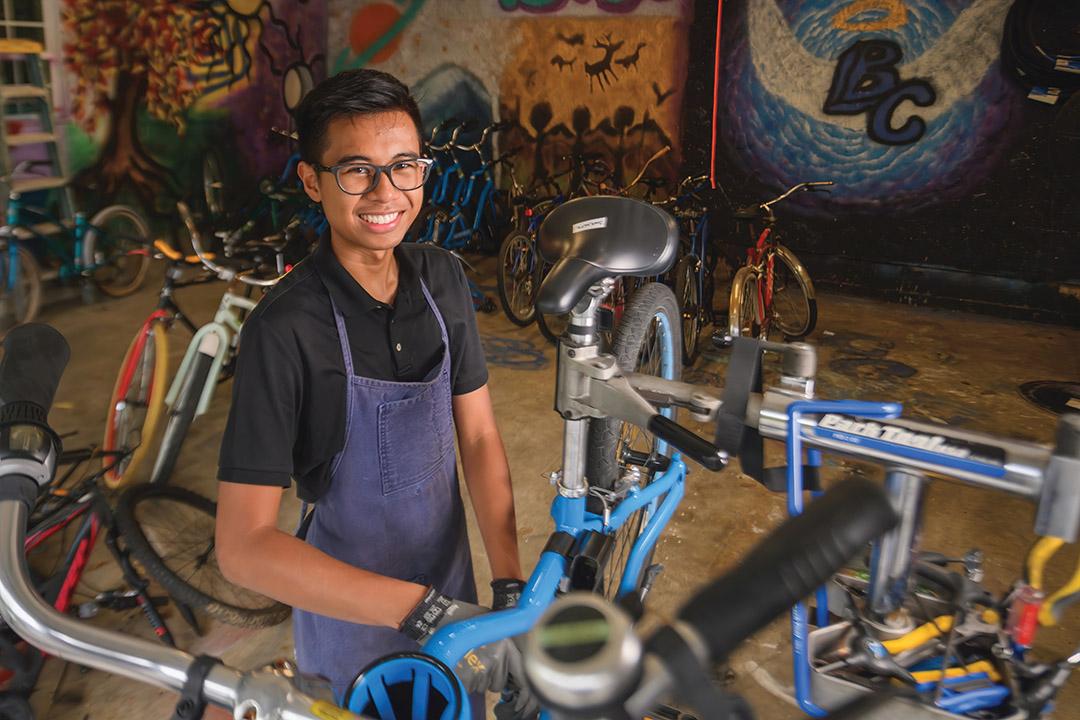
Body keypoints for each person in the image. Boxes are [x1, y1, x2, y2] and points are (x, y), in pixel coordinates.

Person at [214, 69, 533, 715]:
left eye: (404, 166)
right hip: (349, 622)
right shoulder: (286, 329)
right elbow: (243, 548)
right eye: (356, 170)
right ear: (312, 181)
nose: (386, 192)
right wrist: (420, 612)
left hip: (454, 594)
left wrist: (507, 586)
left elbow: (477, 434)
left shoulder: (444, 280)